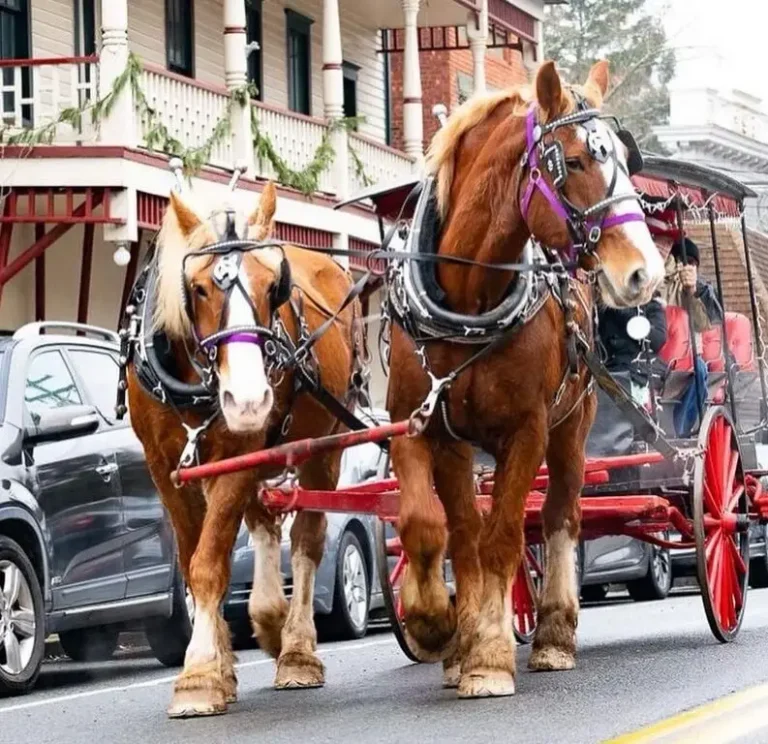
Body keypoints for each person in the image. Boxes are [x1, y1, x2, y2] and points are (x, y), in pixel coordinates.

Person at [586, 295, 667, 456]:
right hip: (604, 370)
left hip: (638, 370)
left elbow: (658, 340)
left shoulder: (651, 307)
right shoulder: (599, 309)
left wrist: (617, 308)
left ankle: (612, 445)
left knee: (619, 388)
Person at [663, 236, 724, 437]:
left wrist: (690, 291)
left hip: (685, 356)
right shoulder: (655, 278)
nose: (688, 267)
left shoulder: (701, 289)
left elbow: (705, 324)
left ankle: (679, 433)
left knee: (698, 368)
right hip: (653, 351)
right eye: (684, 261)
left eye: (692, 264)